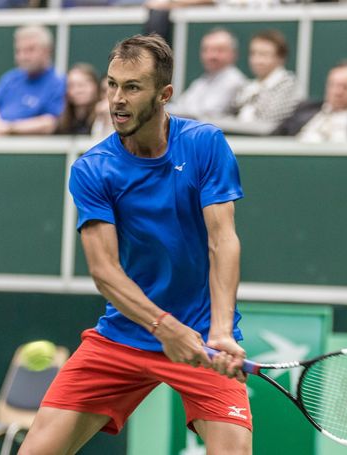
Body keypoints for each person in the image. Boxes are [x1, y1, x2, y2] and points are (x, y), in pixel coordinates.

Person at [19, 34, 251, 455]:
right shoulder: (93, 169)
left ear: (164, 94)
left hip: (202, 334)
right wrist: (165, 327)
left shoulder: (204, 144)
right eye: (111, 85)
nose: (116, 99)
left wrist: (218, 330)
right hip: (126, 333)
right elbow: (105, 272)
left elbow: (223, 241)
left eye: (131, 87)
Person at [272, 61, 347, 141]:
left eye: (345, 87)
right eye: (333, 85)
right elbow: (277, 134)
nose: (337, 92)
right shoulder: (306, 109)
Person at [0, 25, 65, 136]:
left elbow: (49, 123)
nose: (23, 56)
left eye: (30, 50)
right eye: (19, 51)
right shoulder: (10, 78)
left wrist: (10, 128)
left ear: (47, 51)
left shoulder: (58, 83)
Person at [167, 27, 247, 120]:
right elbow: (180, 106)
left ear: (233, 54)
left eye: (219, 50)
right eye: (206, 50)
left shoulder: (234, 81)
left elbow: (205, 114)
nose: (211, 55)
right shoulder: (202, 81)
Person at [231, 29, 301, 125]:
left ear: (281, 58)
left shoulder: (288, 84)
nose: (256, 60)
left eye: (264, 54)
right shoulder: (249, 86)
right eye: (253, 53)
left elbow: (269, 121)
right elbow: (232, 114)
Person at [56, 63, 100, 135]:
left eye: (82, 85)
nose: (78, 90)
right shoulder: (62, 123)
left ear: (95, 87)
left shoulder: (102, 120)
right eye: (72, 86)